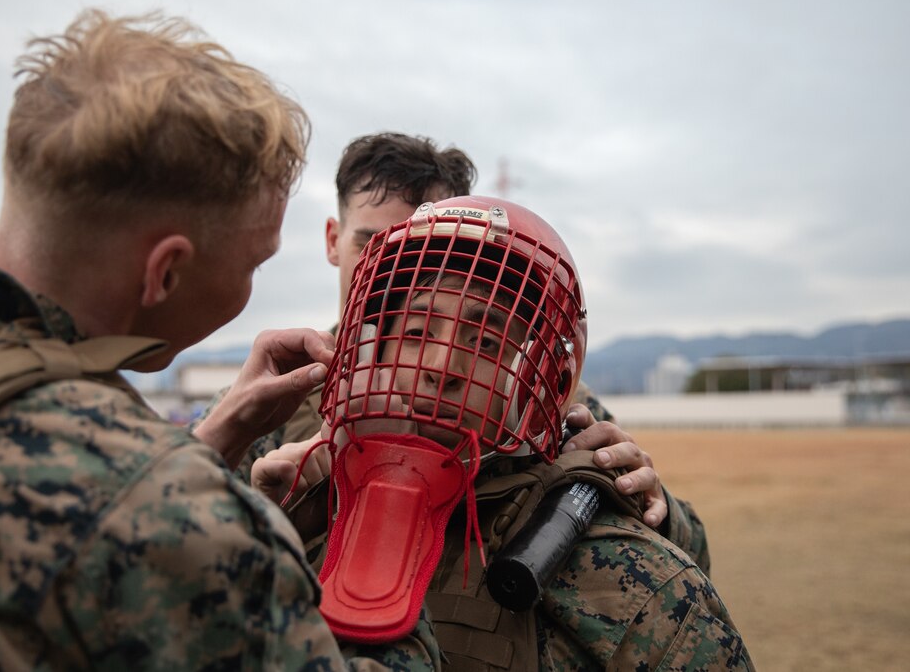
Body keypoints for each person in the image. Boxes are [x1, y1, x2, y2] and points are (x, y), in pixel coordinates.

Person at [0, 10, 440, 670]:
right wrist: (390, 529)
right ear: (165, 271)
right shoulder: (177, 512)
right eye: (253, 264)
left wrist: (206, 443)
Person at [253, 196, 753, 670]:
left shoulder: (635, 583)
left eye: (485, 340)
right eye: (418, 330)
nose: (441, 365)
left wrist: (650, 511)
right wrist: (267, 529)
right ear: (377, 346)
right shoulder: (308, 506)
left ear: (541, 375)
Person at [229, 132, 708, 569]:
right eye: (373, 241)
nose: (402, 261)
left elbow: (686, 553)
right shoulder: (278, 392)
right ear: (334, 241)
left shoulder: (535, 396)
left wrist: (650, 505)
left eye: (437, 245)